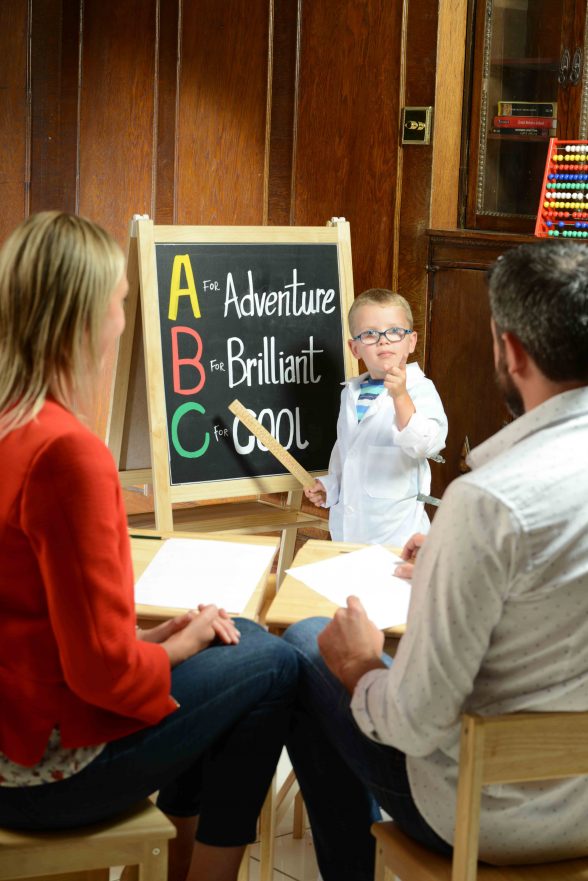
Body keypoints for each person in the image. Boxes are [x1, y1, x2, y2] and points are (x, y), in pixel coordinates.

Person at [0, 211, 299, 881]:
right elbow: (100, 675)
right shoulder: (66, 453)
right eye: (121, 300)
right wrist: (180, 645)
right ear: (83, 317)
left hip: (14, 732)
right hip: (45, 772)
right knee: (272, 662)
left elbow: (43, 625)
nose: (123, 317)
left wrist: (159, 641)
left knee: (232, 643)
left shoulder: (11, 427)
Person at [284, 240, 588, 881]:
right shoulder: (481, 507)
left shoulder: (488, 503)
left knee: (309, 647)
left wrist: (363, 666)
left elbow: (415, 721)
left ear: (511, 351)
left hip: (497, 813)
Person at [304, 288, 447, 546]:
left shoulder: (419, 389)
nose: (383, 341)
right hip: (348, 531)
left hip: (397, 536)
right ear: (355, 348)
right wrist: (330, 486)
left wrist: (401, 396)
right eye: (369, 334)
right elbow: (346, 453)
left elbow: (427, 444)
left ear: (411, 341)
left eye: (394, 332)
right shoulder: (351, 393)